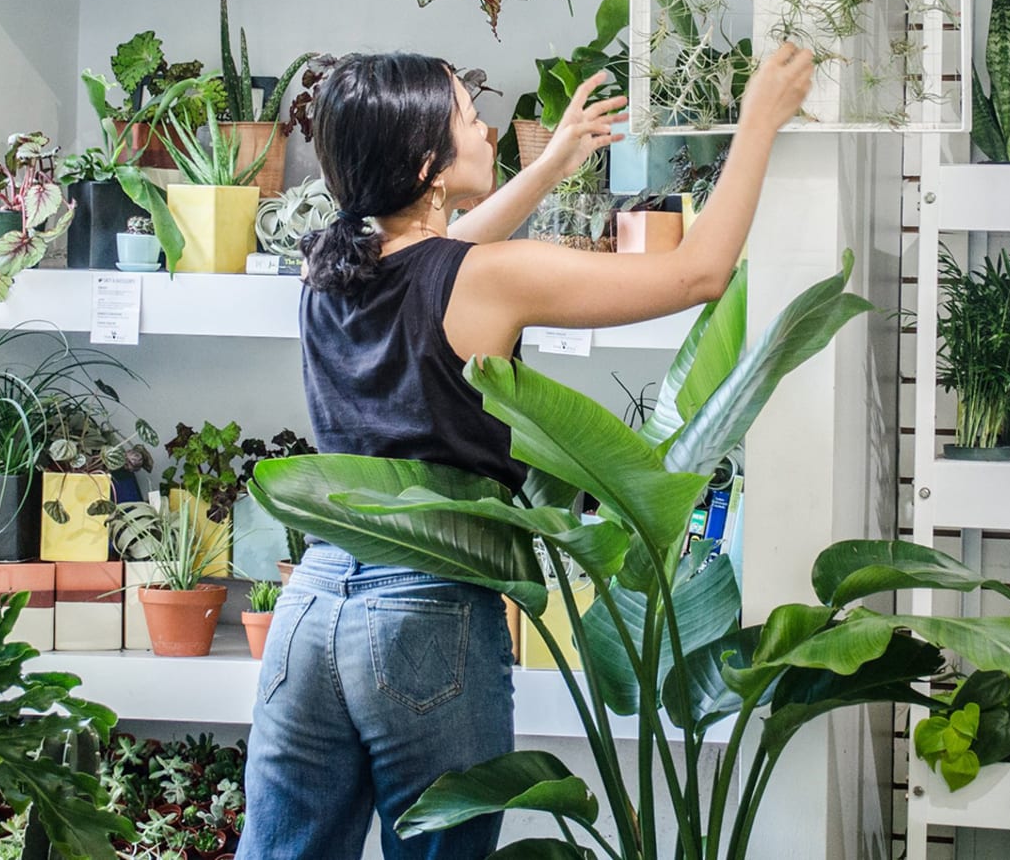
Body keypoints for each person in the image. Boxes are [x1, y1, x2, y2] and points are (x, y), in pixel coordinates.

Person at [237, 44, 815, 860]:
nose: (488, 126)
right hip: (425, 620)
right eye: (471, 118)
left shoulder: (328, 270)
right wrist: (758, 119)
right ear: (428, 162)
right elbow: (697, 275)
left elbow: (441, 248)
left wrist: (549, 165)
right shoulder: (485, 279)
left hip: (313, 606)